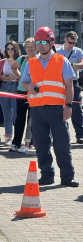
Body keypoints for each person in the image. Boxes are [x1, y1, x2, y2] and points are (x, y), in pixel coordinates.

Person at [22, 26, 79, 187]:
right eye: (37, 42)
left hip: (57, 109)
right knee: (41, 144)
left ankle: (67, 177)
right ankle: (47, 175)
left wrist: (69, 106)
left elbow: (69, 85)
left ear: (51, 42)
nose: (39, 46)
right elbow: (24, 82)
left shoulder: (62, 61)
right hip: (37, 109)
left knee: (62, 144)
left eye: (43, 42)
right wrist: (29, 87)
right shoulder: (31, 62)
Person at [10, 37, 36, 153]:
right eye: (28, 47)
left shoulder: (38, 59)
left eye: (32, 46)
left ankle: (31, 143)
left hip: (34, 92)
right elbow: (13, 67)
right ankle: (16, 143)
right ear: (25, 48)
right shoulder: (21, 59)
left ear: (35, 47)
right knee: (19, 118)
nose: (30, 49)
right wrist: (19, 76)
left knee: (33, 119)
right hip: (21, 91)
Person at [57, 31, 83, 144]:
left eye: (74, 42)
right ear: (65, 40)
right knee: (59, 108)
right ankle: (58, 135)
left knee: (76, 109)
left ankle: (80, 135)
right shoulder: (58, 51)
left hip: (73, 82)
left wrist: (70, 64)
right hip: (60, 83)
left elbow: (81, 65)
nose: (72, 45)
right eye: (70, 42)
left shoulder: (78, 51)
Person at [0, 40, 20, 147]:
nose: (10, 51)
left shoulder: (20, 60)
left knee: (16, 113)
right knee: (7, 114)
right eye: (8, 49)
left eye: (12, 49)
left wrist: (17, 76)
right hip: (4, 86)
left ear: (15, 49)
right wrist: (2, 77)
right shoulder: (2, 62)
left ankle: (17, 136)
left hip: (15, 86)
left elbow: (23, 75)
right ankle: (9, 136)